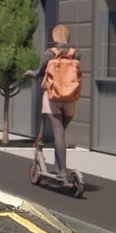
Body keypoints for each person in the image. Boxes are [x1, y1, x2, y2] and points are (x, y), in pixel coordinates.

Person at [29, 24, 81, 176]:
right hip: (70, 98)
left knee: (58, 134)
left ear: (54, 37)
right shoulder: (76, 54)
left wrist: (30, 73)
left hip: (53, 97)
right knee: (61, 133)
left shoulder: (49, 54)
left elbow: (39, 73)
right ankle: (58, 167)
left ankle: (63, 171)